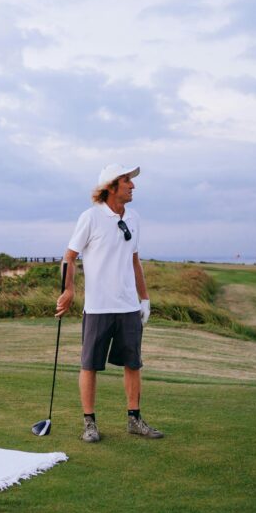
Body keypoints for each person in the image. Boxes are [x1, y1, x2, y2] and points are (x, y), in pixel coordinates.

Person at [55, 164, 163, 442]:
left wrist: (145, 298)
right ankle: (89, 423)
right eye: (127, 181)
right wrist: (68, 291)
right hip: (98, 307)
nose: (133, 186)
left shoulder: (135, 218)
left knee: (133, 364)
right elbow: (69, 257)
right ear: (111, 186)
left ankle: (134, 419)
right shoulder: (90, 217)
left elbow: (135, 260)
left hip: (128, 306)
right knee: (90, 365)